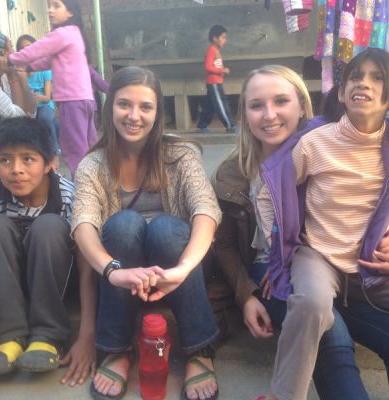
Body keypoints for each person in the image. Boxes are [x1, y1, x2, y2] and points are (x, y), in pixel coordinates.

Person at [213, 65, 370, 400]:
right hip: (272, 272)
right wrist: (247, 295)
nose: (269, 115)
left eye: (281, 101)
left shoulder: (331, 147)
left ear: (302, 105)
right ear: (245, 115)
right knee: (330, 332)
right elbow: (224, 245)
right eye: (256, 105)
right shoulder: (232, 171)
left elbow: (371, 200)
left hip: (342, 269)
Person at [72, 66, 221, 400]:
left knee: (167, 228)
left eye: (145, 107)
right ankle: (117, 349)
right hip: (123, 269)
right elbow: (82, 222)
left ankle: (199, 349)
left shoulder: (181, 154)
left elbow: (205, 209)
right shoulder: (92, 165)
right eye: (124, 104)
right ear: (109, 108)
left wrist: (182, 269)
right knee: (124, 223)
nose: (134, 116)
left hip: (182, 263)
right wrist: (113, 271)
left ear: (158, 112)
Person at [258, 49, 389, 400]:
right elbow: (269, 195)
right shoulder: (315, 141)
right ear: (342, 91)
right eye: (356, 76)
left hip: (371, 264)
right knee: (311, 302)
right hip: (317, 255)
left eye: (377, 77)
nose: (364, 82)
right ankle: (283, 394)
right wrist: (281, 250)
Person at [0, 117, 97, 387]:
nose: (16, 170)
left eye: (28, 159)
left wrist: (86, 335)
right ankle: (9, 338)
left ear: (51, 163)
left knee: (48, 226)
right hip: (10, 282)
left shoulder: (71, 198)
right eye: (5, 160)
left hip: (58, 279)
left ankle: (48, 337)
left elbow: (86, 269)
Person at [5, 0, 98, 176]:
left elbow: (36, 49)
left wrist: (12, 59)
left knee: (74, 149)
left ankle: (83, 188)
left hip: (71, 100)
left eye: (56, 6)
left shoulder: (61, 34)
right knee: (90, 145)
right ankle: (97, 182)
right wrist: (31, 67)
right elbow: (51, 60)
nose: (50, 11)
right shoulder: (75, 33)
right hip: (85, 98)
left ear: (70, 12)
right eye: (48, 6)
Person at [0, 28, 36, 184]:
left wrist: (21, 80)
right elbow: (18, 117)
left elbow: (29, 115)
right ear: (3, 53)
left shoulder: (2, 77)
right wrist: (14, 77)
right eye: (12, 48)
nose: (16, 53)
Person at [16, 34, 60, 156]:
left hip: (44, 105)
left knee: (44, 119)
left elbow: (47, 97)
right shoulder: (18, 70)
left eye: (28, 46)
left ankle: (53, 152)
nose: (25, 50)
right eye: (21, 48)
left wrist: (38, 98)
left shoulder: (44, 69)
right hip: (26, 106)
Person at [197, 25, 236, 133]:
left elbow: (214, 66)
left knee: (210, 106)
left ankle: (202, 125)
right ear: (215, 38)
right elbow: (208, 67)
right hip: (214, 83)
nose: (225, 41)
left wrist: (221, 70)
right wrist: (222, 70)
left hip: (216, 82)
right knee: (221, 104)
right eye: (223, 37)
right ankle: (230, 125)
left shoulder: (215, 50)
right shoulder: (211, 50)